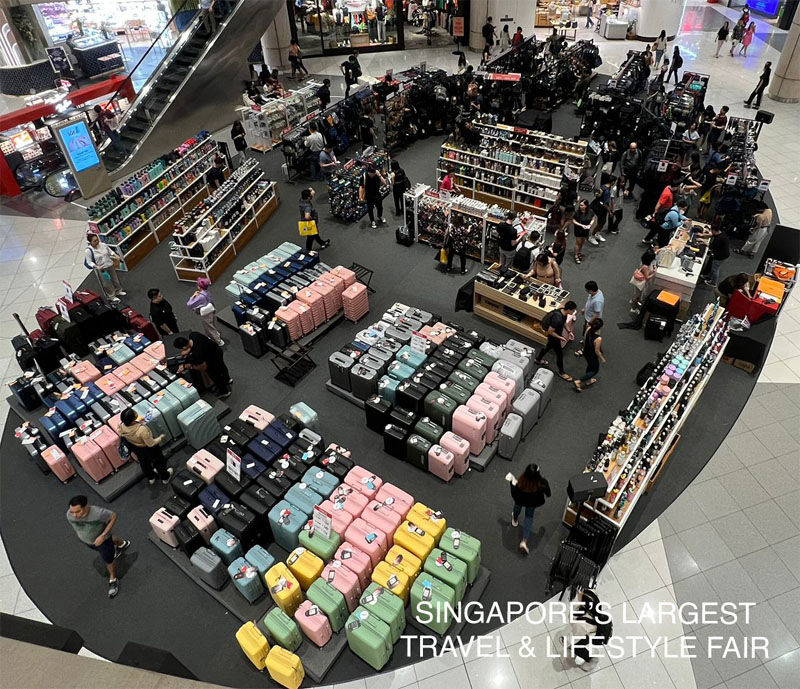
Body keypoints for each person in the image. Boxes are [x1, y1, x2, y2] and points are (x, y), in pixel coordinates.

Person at [67, 495, 130, 598]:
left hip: (102, 542)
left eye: (78, 511)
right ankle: (122, 544)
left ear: (86, 507)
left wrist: (103, 535)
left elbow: (113, 516)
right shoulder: (69, 515)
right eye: (72, 511)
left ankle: (113, 578)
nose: (74, 515)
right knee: (111, 540)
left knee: (108, 559)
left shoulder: (98, 513)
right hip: (88, 541)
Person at [118, 408, 172, 485]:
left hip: (136, 448)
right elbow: (151, 444)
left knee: (144, 464)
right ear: (133, 418)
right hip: (148, 448)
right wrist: (160, 438)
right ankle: (165, 477)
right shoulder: (141, 430)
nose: (136, 412)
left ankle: (151, 477)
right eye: (134, 412)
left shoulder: (122, 426)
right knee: (159, 462)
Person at [508, 463, 551, 555]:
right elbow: (548, 493)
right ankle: (524, 541)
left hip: (520, 500)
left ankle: (514, 519)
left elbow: (514, 492)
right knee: (528, 517)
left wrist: (511, 482)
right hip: (532, 503)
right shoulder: (542, 483)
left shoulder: (521, 482)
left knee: (517, 507)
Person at [174, 333, 231, 398]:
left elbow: (203, 367)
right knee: (222, 366)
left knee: (215, 375)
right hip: (217, 350)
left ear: (183, 347)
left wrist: (186, 366)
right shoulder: (193, 335)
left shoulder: (197, 354)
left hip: (212, 360)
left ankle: (224, 391)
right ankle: (227, 379)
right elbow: (195, 345)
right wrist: (188, 350)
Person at [535, 300, 578, 381]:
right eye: (573, 310)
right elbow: (550, 332)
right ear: (568, 309)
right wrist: (560, 338)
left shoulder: (563, 312)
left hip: (556, 335)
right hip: (554, 337)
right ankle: (561, 372)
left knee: (548, 347)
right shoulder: (557, 319)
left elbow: (564, 323)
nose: (574, 312)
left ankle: (538, 359)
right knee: (559, 354)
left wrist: (569, 332)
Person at [85, 233, 125, 303]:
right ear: (90, 242)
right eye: (94, 241)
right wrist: (96, 266)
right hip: (101, 269)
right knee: (106, 283)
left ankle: (118, 290)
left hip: (110, 264)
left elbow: (110, 252)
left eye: (97, 240)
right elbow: (89, 262)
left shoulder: (103, 245)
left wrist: (116, 255)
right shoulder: (88, 251)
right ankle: (111, 296)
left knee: (115, 279)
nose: (97, 242)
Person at [187, 277, 224, 347]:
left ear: (200, 287)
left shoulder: (200, 297)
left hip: (205, 314)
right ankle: (214, 335)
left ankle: (218, 341)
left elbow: (189, 304)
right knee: (212, 324)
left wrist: (193, 296)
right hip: (211, 310)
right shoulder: (207, 292)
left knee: (209, 327)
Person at [574, 281, 604, 357]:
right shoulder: (595, 293)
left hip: (592, 321)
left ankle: (585, 349)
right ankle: (585, 341)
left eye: (587, 290)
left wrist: (589, 323)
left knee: (590, 336)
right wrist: (585, 308)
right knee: (586, 333)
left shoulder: (598, 301)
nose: (587, 292)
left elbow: (596, 314)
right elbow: (589, 301)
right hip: (588, 317)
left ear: (591, 290)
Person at [574, 319, 605, 392]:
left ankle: (588, 380)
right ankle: (579, 381)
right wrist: (602, 358)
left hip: (586, 352)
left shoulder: (588, 329)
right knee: (595, 370)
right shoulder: (598, 338)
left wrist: (583, 349)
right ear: (600, 328)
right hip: (592, 355)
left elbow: (584, 340)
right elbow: (597, 351)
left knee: (590, 365)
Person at [700, 221, 730, 286]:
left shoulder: (719, 239)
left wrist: (703, 241)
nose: (711, 231)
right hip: (721, 253)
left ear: (714, 230)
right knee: (713, 267)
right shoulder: (720, 233)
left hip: (720, 256)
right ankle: (709, 277)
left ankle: (713, 283)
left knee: (715, 269)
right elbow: (712, 235)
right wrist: (703, 235)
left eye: (711, 230)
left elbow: (711, 246)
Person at [630, 247, 657, 314]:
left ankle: (633, 301)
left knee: (636, 293)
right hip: (640, 284)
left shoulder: (643, 262)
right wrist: (654, 273)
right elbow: (647, 277)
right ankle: (633, 308)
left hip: (638, 283)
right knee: (637, 296)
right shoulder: (646, 268)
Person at [360, 164, 387, 228]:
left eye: (374, 172)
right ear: (368, 172)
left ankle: (380, 216)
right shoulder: (364, 177)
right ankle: (372, 221)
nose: (373, 174)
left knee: (380, 207)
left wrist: (379, 175)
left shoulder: (377, 175)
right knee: (370, 209)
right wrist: (360, 196)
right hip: (369, 195)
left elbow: (385, 183)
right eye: (372, 173)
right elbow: (361, 187)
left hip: (377, 194)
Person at [571, 199, 595, 264]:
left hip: (586, 229)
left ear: (586, 206)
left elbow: (593, 219)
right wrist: (581, 225)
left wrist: (590, 225)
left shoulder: (590, 211)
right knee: (578, 242)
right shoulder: (577, 212)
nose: (580, 206)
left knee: (582, 242)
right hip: (578, 229)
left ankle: (579, 252)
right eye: (580, 205)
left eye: (582, 205)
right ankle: (576, 255)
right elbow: (573, 220)